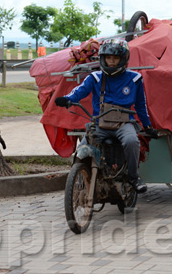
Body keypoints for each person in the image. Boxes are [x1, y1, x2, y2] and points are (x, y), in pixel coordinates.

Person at [54, 38, 158, 193]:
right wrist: (68, 99)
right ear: (102, 59)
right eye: (108, 58)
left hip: (124, 124)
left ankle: (133, 177)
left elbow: (141, 106)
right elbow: (79, 91)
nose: (111, 62)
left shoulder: (134, 79)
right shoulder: (95, 77)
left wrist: (148, 126)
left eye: (115, 58)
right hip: (99, 124)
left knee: (132, 142)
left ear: (123, 59)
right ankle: (80, 179)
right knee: (83, 147)